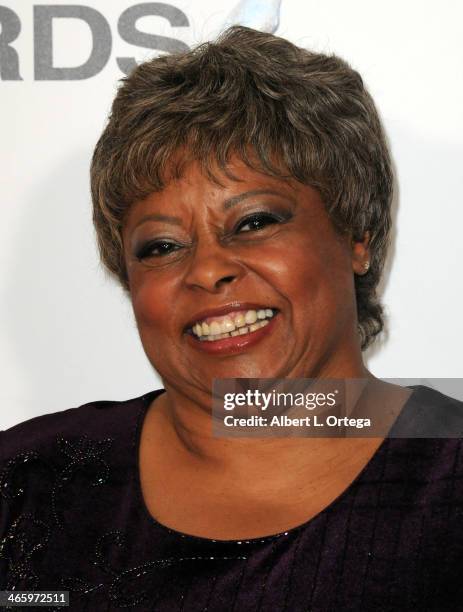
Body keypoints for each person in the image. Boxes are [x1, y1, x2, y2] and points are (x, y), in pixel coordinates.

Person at [1, 26, 462, 611]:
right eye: (162, 246)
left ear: (357, 235)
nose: (207, 270)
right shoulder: (24, 482)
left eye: (254, 222)